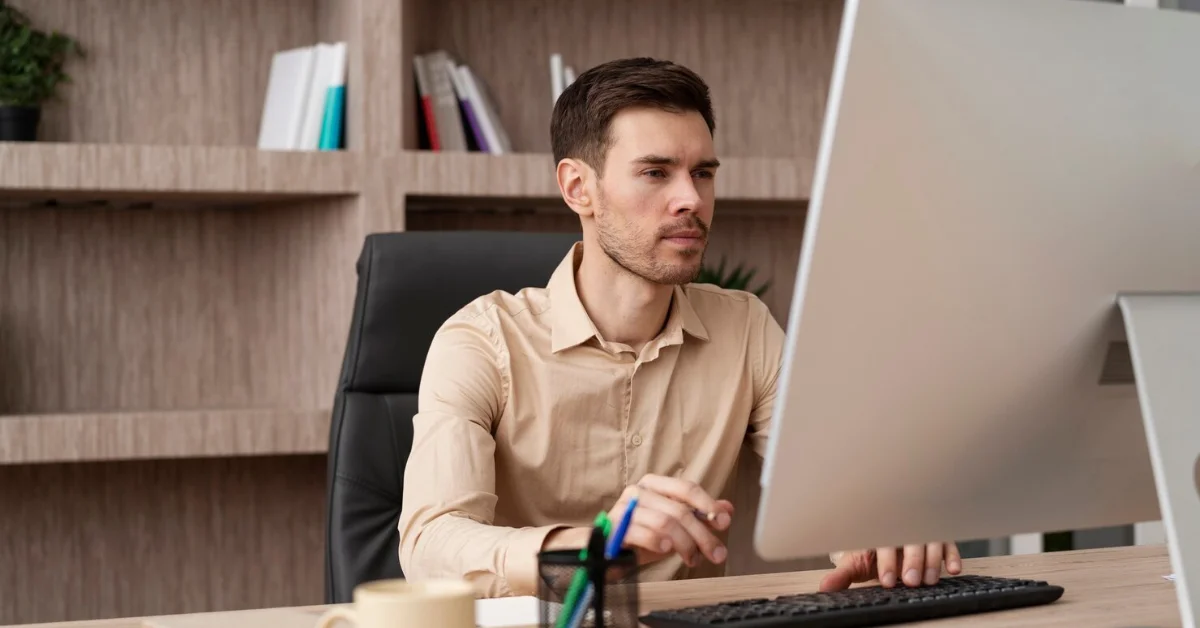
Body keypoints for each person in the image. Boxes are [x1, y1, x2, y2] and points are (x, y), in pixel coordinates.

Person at [397, 57, 961, 598]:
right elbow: (429, 545)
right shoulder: (480, 341)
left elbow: (829, 490)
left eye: (703, 173)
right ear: (577, 188)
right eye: (655, 173)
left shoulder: (745, 328)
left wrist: (879, 534)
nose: (691, 199)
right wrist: (592, 551)